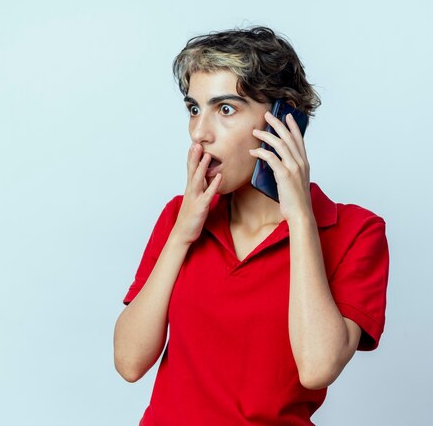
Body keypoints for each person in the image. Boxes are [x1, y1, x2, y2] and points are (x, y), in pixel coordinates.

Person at [114, 26, 390, 425]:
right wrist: (182, 234)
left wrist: (299, 220)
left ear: (284, 118)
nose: (199, 133)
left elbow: (316, 367)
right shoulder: (180, 216)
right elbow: (129, 362)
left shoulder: (355, 232)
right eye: (194, 109)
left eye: (225, 109)